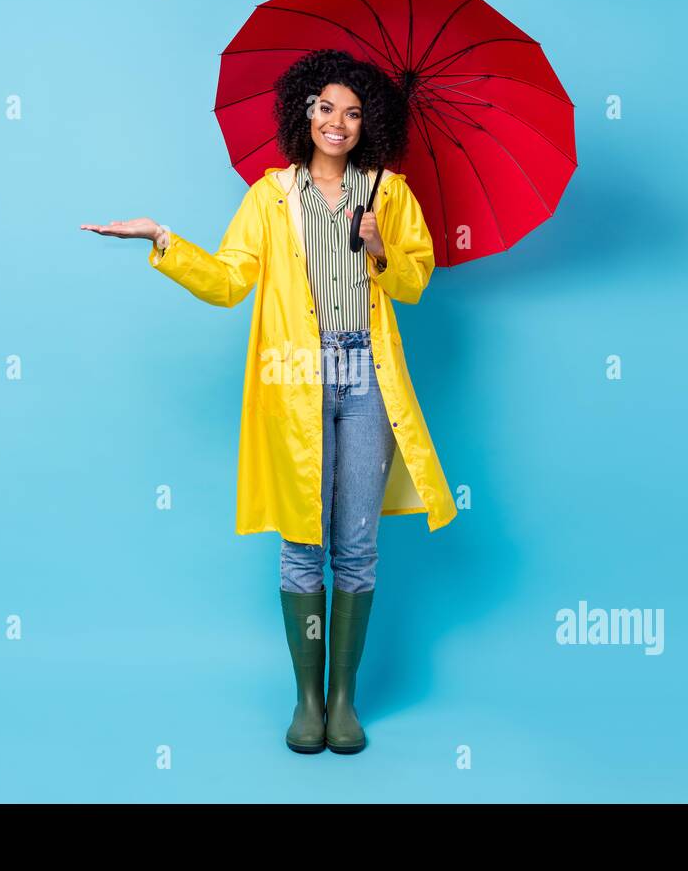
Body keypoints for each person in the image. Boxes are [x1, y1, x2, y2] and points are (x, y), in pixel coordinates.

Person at [82, 49, 456, 754]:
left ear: (367, 120)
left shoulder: (389, 194)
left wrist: (380, 249)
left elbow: (415, 283)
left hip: (367, 380)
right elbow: (229, 281)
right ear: (303, 113)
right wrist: (162, 239)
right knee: (300, 541)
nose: (336, 122)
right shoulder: (270, 197)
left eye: (351, 111)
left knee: (356, 545)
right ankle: (306, 701)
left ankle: (344, 703)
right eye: (324, 107)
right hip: (295, 380)